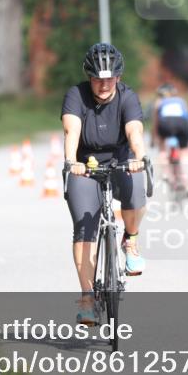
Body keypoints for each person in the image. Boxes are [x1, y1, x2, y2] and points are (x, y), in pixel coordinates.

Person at [62, 43, 149, 324]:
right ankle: (87, 298)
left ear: (118, 78)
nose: (103, 84)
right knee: (85, 228)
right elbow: (71, 128)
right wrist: (70, 161)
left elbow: (134, 130)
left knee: (136, 189)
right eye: (98, 79)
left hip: (121, 163)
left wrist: (140, 156)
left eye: (109, 78)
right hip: (84, 168)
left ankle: (130, 242)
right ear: (89, 77)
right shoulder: (76, 95)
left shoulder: (128, 98)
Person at [153, 83, 188, 175]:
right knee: (184, 151)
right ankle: (186, 178)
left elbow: (156, 123)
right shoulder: (181, 101)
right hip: (182, 123)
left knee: (163, 149)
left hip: (166, 124)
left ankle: (165, 173)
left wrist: (154, 138)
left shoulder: (159, 102)